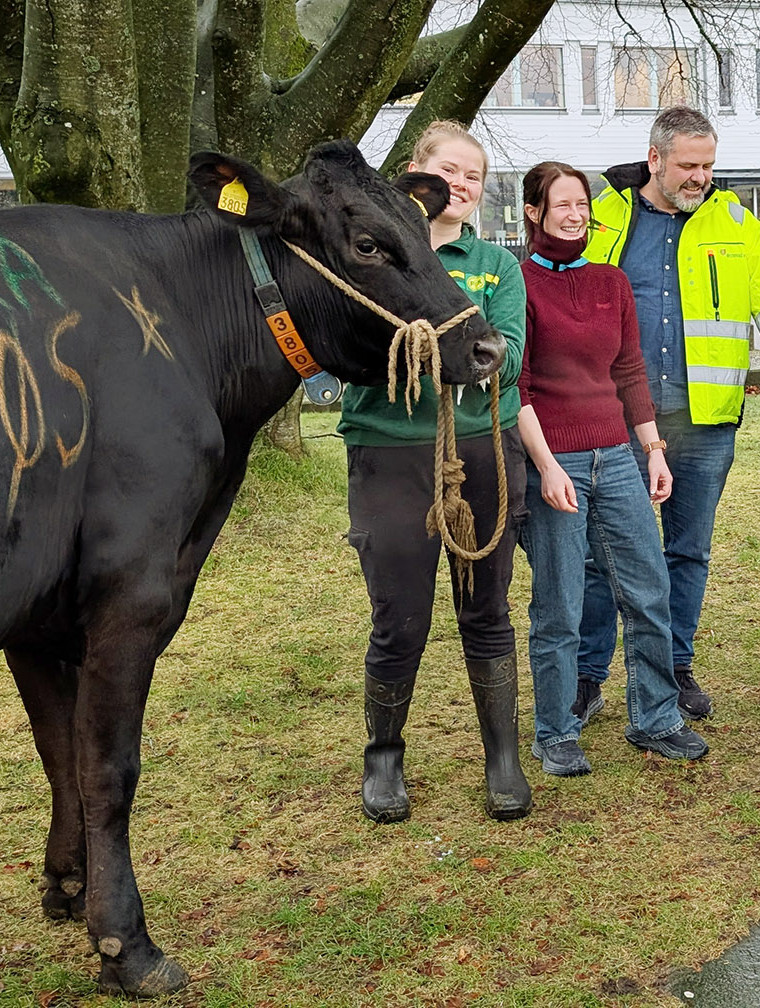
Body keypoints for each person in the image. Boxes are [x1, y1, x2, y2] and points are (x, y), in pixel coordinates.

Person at [577, 105, 760, 722]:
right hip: (615, 420)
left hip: (704, 422)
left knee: (687, 553)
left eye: (709, 165)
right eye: (688, 165)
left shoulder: (737, 223)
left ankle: (674, 668)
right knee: (601, 554)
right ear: (654, 159)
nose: (700, 177)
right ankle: (586, 674)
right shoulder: (601, 213)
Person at [337, 121, 530, 823]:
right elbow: (354, 343)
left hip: (481, 448)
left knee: (487, 609)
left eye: (475, 176)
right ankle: (383, 756)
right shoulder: (370, 255)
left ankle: (502, 754)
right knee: (400, 614)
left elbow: (501, 349)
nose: (462, 185)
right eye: (449, 170)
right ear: (417, 174)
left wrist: (443, 351)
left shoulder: (496, 266)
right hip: (388, 450)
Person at [515, 161, 708, 774]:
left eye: (582, 205)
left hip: (618, 455)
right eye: (562, 204)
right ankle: (555, 730)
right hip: (554, 460)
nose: (575, 215)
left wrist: (651, 450)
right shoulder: (516, 284)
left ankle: (655, 718)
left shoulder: (610, 282)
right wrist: (546, 466)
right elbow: (514, 389)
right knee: (560, 603)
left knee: (649, 590)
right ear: (533, 213)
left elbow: (628, 374)